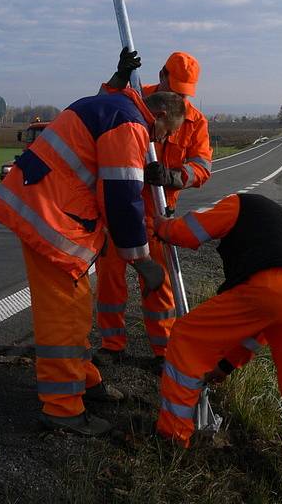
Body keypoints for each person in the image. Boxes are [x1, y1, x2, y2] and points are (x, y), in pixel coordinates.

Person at [0, 87, 186, 436]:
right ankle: (62, 409)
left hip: (53, 213)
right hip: (51, 220)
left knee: (76, 309)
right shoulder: (128, 125)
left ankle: (84, 380)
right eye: (167, 132)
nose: (163, 140)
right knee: (63, 316)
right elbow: (121, 198)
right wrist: (141, 259)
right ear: (163, 116)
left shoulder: (114, 109)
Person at [152, 193, 282, 487]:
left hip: (274, 283)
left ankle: (172, 436)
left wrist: (163, 227)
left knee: (186, 336)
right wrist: (225, 365)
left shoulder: (239, 203)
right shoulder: (279, 222)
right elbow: (257, 331)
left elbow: (191, 232)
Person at [95, 50, 212, 372]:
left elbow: (202, 167)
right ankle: (111, 345)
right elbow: (102, 105)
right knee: (110, 283)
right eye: (174, 90)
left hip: (160, 215)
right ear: (161, 76)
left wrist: (175, 177)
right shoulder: (134, 97)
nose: (177, 98)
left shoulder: (195, 121)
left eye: (183, 94)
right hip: (119, 208)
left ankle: (163, 351)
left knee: (158, 286)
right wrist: (119, 74)